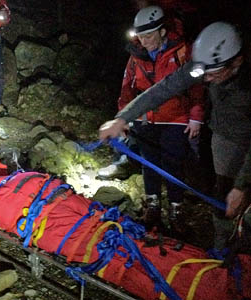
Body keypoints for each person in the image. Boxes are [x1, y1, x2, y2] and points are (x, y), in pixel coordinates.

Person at [99, 22, 251, 250]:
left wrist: (242, 186)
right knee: (224, 197)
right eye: (204, 73)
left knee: (241, 199)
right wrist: (122, 118)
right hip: (226, 138)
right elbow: (165, 88)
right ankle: (224, 252)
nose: (206, 80)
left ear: (237, 61)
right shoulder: (207, 66)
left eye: (214, 73)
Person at [104, 6, 205, 232]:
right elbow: (126, 88)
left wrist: (196, 116)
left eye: (149, 35)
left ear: (161, 31)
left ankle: (176, 210)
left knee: (172, 165)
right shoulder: (136, 57)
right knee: (148, 164)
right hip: (145, 119)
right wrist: (124, 118)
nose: (144, 40)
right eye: (140, 36)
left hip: (175, 117)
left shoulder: (182, 51)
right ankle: (153, 207)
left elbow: (196, 86)